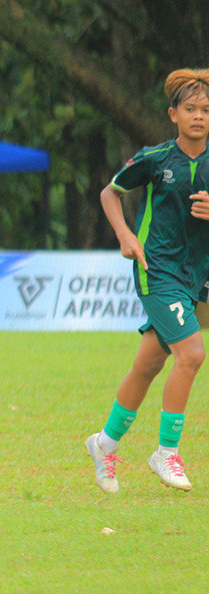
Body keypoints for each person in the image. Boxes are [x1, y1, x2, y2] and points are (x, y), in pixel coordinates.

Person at [86, 68, 209, 493]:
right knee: (192, 353)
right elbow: (110, 193)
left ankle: (104, 443)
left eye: (206, 110)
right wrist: (123, 235)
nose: (199, 116)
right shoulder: (155, 159)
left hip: (196, 275)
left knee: (149, 364)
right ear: (173, 114)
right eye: (190, 109)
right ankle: (166, 452)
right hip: (157, 268)